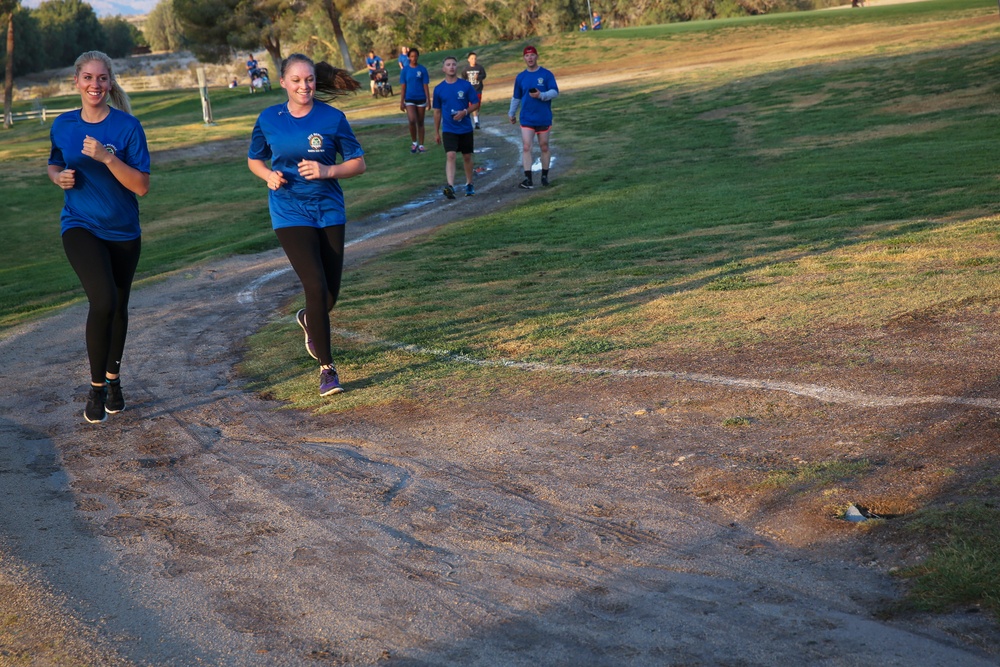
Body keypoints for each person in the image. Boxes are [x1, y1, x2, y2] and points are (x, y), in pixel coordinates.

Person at [247, 54, 366, 396]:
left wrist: (327, 170)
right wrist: (268, 175)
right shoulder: (269, 118)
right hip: (288, 211)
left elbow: (358, 163)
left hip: (328, 210)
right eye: (296, 80)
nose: (304, 86)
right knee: (314, 285)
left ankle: (308, 318)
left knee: (328, 295)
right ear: (283, 82)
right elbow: (255, 159)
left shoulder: (333, 118)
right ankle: (328, 370)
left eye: (309, 79)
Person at [47, 51, 150, 424]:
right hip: (79, 225)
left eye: (102, 78)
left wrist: (108, 158)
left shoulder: (127, 128)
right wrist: (57, 177)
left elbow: (141, 186)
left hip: (123, 231)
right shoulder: (63, 125)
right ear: (77, 81)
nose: (95, 85)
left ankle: (114, 381)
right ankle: (95, 388)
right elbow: (55, 161)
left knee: (118, 306)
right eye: (88, 78)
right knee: (103, 299)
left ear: (110, 82)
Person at [508, 45, 558, 189]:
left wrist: (541, 95)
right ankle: (528, 179)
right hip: (527, 117)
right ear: (524, 58)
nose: (529, 58)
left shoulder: (546, 74)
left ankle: (544, 176)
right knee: (526, 146)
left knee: (544, 146)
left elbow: (555, 92)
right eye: (527, 56)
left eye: (532, 55)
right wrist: (511, 113)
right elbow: (516, 97)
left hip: (543, 117)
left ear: (537, 56)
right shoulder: (521, 77)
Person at [433, 56, 480, 199]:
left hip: (465, 128)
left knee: (466, 156)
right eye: (448, 65)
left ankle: (469, 183)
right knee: (451, 155)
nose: (451, 67)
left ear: (457, 67)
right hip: (448, 129)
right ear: (443, 69)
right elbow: (437, 111)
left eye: (454, 64)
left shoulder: (465, 86)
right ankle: (451, 186)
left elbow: (476, 104)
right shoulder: (439, 89)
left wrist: (465, 112)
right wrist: (436, 132)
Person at [399, 47, 430, 154]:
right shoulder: (405, 70)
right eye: (412, 56)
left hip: (421, 98)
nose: (414, 58)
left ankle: (421, 145)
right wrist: (401, 101)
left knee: (420, 122)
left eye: (415, 56)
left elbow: (425, 85)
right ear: (408, 57)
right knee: (412, 120)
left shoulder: (422, 69)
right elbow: (403, 87)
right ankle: (414, 142)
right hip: (409, 99)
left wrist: (428, 100)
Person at [459, 52, 487, 130]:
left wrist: (478, 77)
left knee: (477, 106)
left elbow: (484, 75)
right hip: (470, 91)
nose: (474, 60)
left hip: (478, 89)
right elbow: (463, 79)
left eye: (475, 58)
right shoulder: (466, 69)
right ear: (468, 60)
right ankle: (476, 122)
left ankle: (476, 118)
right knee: (472, 106)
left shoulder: (479, 67)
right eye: (472, 58)